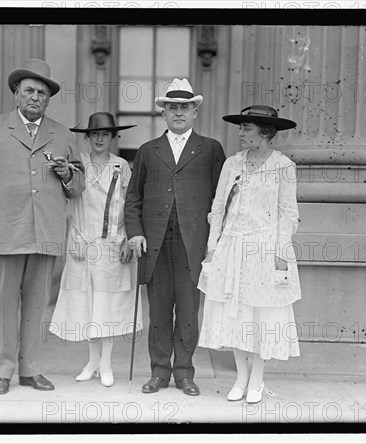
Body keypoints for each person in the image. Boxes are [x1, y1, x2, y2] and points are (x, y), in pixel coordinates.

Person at [0, 59, 85, 395]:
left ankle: (31, 370)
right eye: (28, 90)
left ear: (48, 99)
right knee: (4, 305)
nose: (35, 97)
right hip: (5, 228)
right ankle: (2, 370)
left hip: (45, 229)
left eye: (42, 93)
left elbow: (78, 186)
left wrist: (67, 174)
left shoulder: (61, 134)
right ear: (16, 94)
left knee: (36, 304)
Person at [125, 78, 226, 396]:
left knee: (187, 310)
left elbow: (221, 199)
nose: (179, 112)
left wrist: (216, 243)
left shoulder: (210, 149)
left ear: (195, 111)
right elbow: (133, 199)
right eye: (172, 107)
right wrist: (135, 233)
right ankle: (158, 372)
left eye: (185, 107)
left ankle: (184, 372)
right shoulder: (147, 151)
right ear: (164, 114)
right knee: (157, 310)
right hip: (155, 243)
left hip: (192, 243)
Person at [198, 105, 301, 403]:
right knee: (235, 315)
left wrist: (280, 252)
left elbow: (288, 213)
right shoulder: (232, 164)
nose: (241, 133)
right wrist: (213, 248)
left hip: (265, 248)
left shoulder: (283, 166)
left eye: (247, 129)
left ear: (266, 132)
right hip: (231, 247)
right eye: (240, 128)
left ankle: (257, 378)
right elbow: (218, 207)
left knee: (261, 316)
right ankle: (240, 377)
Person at [50, 112, 142, 387]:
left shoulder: (121, 166)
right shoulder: (78, 163)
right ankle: (91, 361)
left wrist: (127, 238)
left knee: (108, 306)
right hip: (82, 243)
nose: (100, 139)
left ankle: (106, 364)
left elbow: (130, 205)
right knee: (87, 305)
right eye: (95, 134)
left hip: (112, 245)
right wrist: (75, 237)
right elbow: (71, 195)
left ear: (113, 137)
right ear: (87, 138)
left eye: (105, 134)